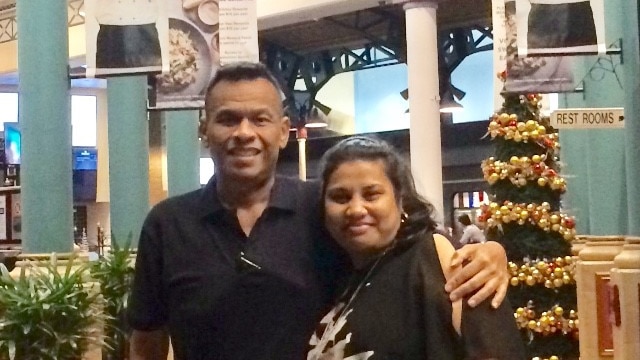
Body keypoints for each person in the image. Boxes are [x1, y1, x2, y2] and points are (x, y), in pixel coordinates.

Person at [127, 61, 510, 360]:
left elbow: (403, 254)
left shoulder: (322, 209)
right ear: (204, 129)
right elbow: (147, 343)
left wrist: (494, 253)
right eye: (227, 119)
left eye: (259, 119)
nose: (244, 132)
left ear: (282, 131)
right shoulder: (167, 225)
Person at [307, 136, 525, 359]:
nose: (355, 209)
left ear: (400, 200)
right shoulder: (335, 272)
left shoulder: (441, 260)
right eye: (340, 197)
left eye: (371, 195)